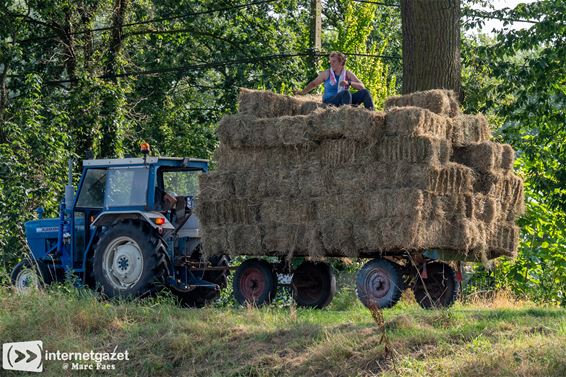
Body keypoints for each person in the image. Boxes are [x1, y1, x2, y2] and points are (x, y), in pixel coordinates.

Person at [294, 51, 374, 110]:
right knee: (346, 93)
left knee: (365, 92)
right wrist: (302, 92)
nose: (331, 64)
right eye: (330, 61)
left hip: (345, 99)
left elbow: (362, 87)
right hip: (329, 101)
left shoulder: (347, 73)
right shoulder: (327, 73)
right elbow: (313, 84)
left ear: (341, 62)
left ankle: (372, 116)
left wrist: (349, 82)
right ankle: (348, 114)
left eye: (334, 61)